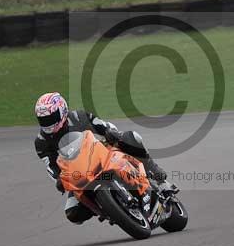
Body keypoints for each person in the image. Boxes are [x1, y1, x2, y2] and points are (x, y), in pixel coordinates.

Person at [34, 92, 167, 225]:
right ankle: (108, 209)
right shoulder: (41, 142)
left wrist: (111, 133)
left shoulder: (78, 117)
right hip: (79, 173)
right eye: (44, 120)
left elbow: (103, 125)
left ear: (62, 110)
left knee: (131, 138)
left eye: (51, 118)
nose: (48, 123)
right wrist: (59, 179)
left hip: (102, 153)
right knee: (73, 212)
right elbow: (50, 166)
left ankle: (157, 175)